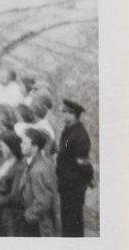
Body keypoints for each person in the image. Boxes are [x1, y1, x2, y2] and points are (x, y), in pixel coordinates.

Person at [55, 99, 95, 237]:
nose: (62, 114)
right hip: (66, 185)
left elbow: (84, 165)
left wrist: (89, 179)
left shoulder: (79, 136)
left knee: (73, 224)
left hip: (74, 187)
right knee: (67, 223)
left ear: (73, 115)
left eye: (65, 112)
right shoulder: (69, 131)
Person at [16, 127, 59, 236]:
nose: (21, 145)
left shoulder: (38, 170)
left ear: (35, 146)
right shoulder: (36, 162)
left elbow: (43, 201)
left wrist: (27, 217)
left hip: (37, 225)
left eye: (25, 143)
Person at [0, 134, 26, 236]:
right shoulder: (2, 160)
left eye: (3, 146)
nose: (1, 149)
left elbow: (15, 193)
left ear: (11, 148)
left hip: (9, 211)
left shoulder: (19, 167)